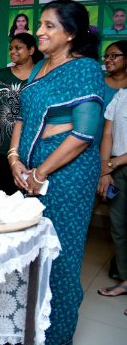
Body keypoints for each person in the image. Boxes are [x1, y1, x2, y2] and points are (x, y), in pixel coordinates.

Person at [8, 0, 104, 345]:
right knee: (30, 255)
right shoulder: (39, 67)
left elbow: (84, 133)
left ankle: (56, 337)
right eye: (40, 24)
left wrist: (41, 172)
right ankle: (26, 331)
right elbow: (22, 117)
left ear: (71, 33)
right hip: (30, 175)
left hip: (67, 178)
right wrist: (14, 158)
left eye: (49, 25)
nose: (40, 31)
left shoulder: (85, 68)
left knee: (59, 259)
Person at [0, 33, 43, 194]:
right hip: (0, 148)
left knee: (29, 195)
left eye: (18, 48)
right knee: (4, 194)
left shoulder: (40, 77)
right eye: (11, 48)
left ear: (31, 50)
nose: (13, 52)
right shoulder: (0, 76)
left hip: (29, 149)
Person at [96, 88, 127, 298]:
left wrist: (112, 164)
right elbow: (107, 133)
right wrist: (105, 171)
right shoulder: (120, 95)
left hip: (116, 163)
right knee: (118, 225)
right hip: (115, 170)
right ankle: (125, 280)